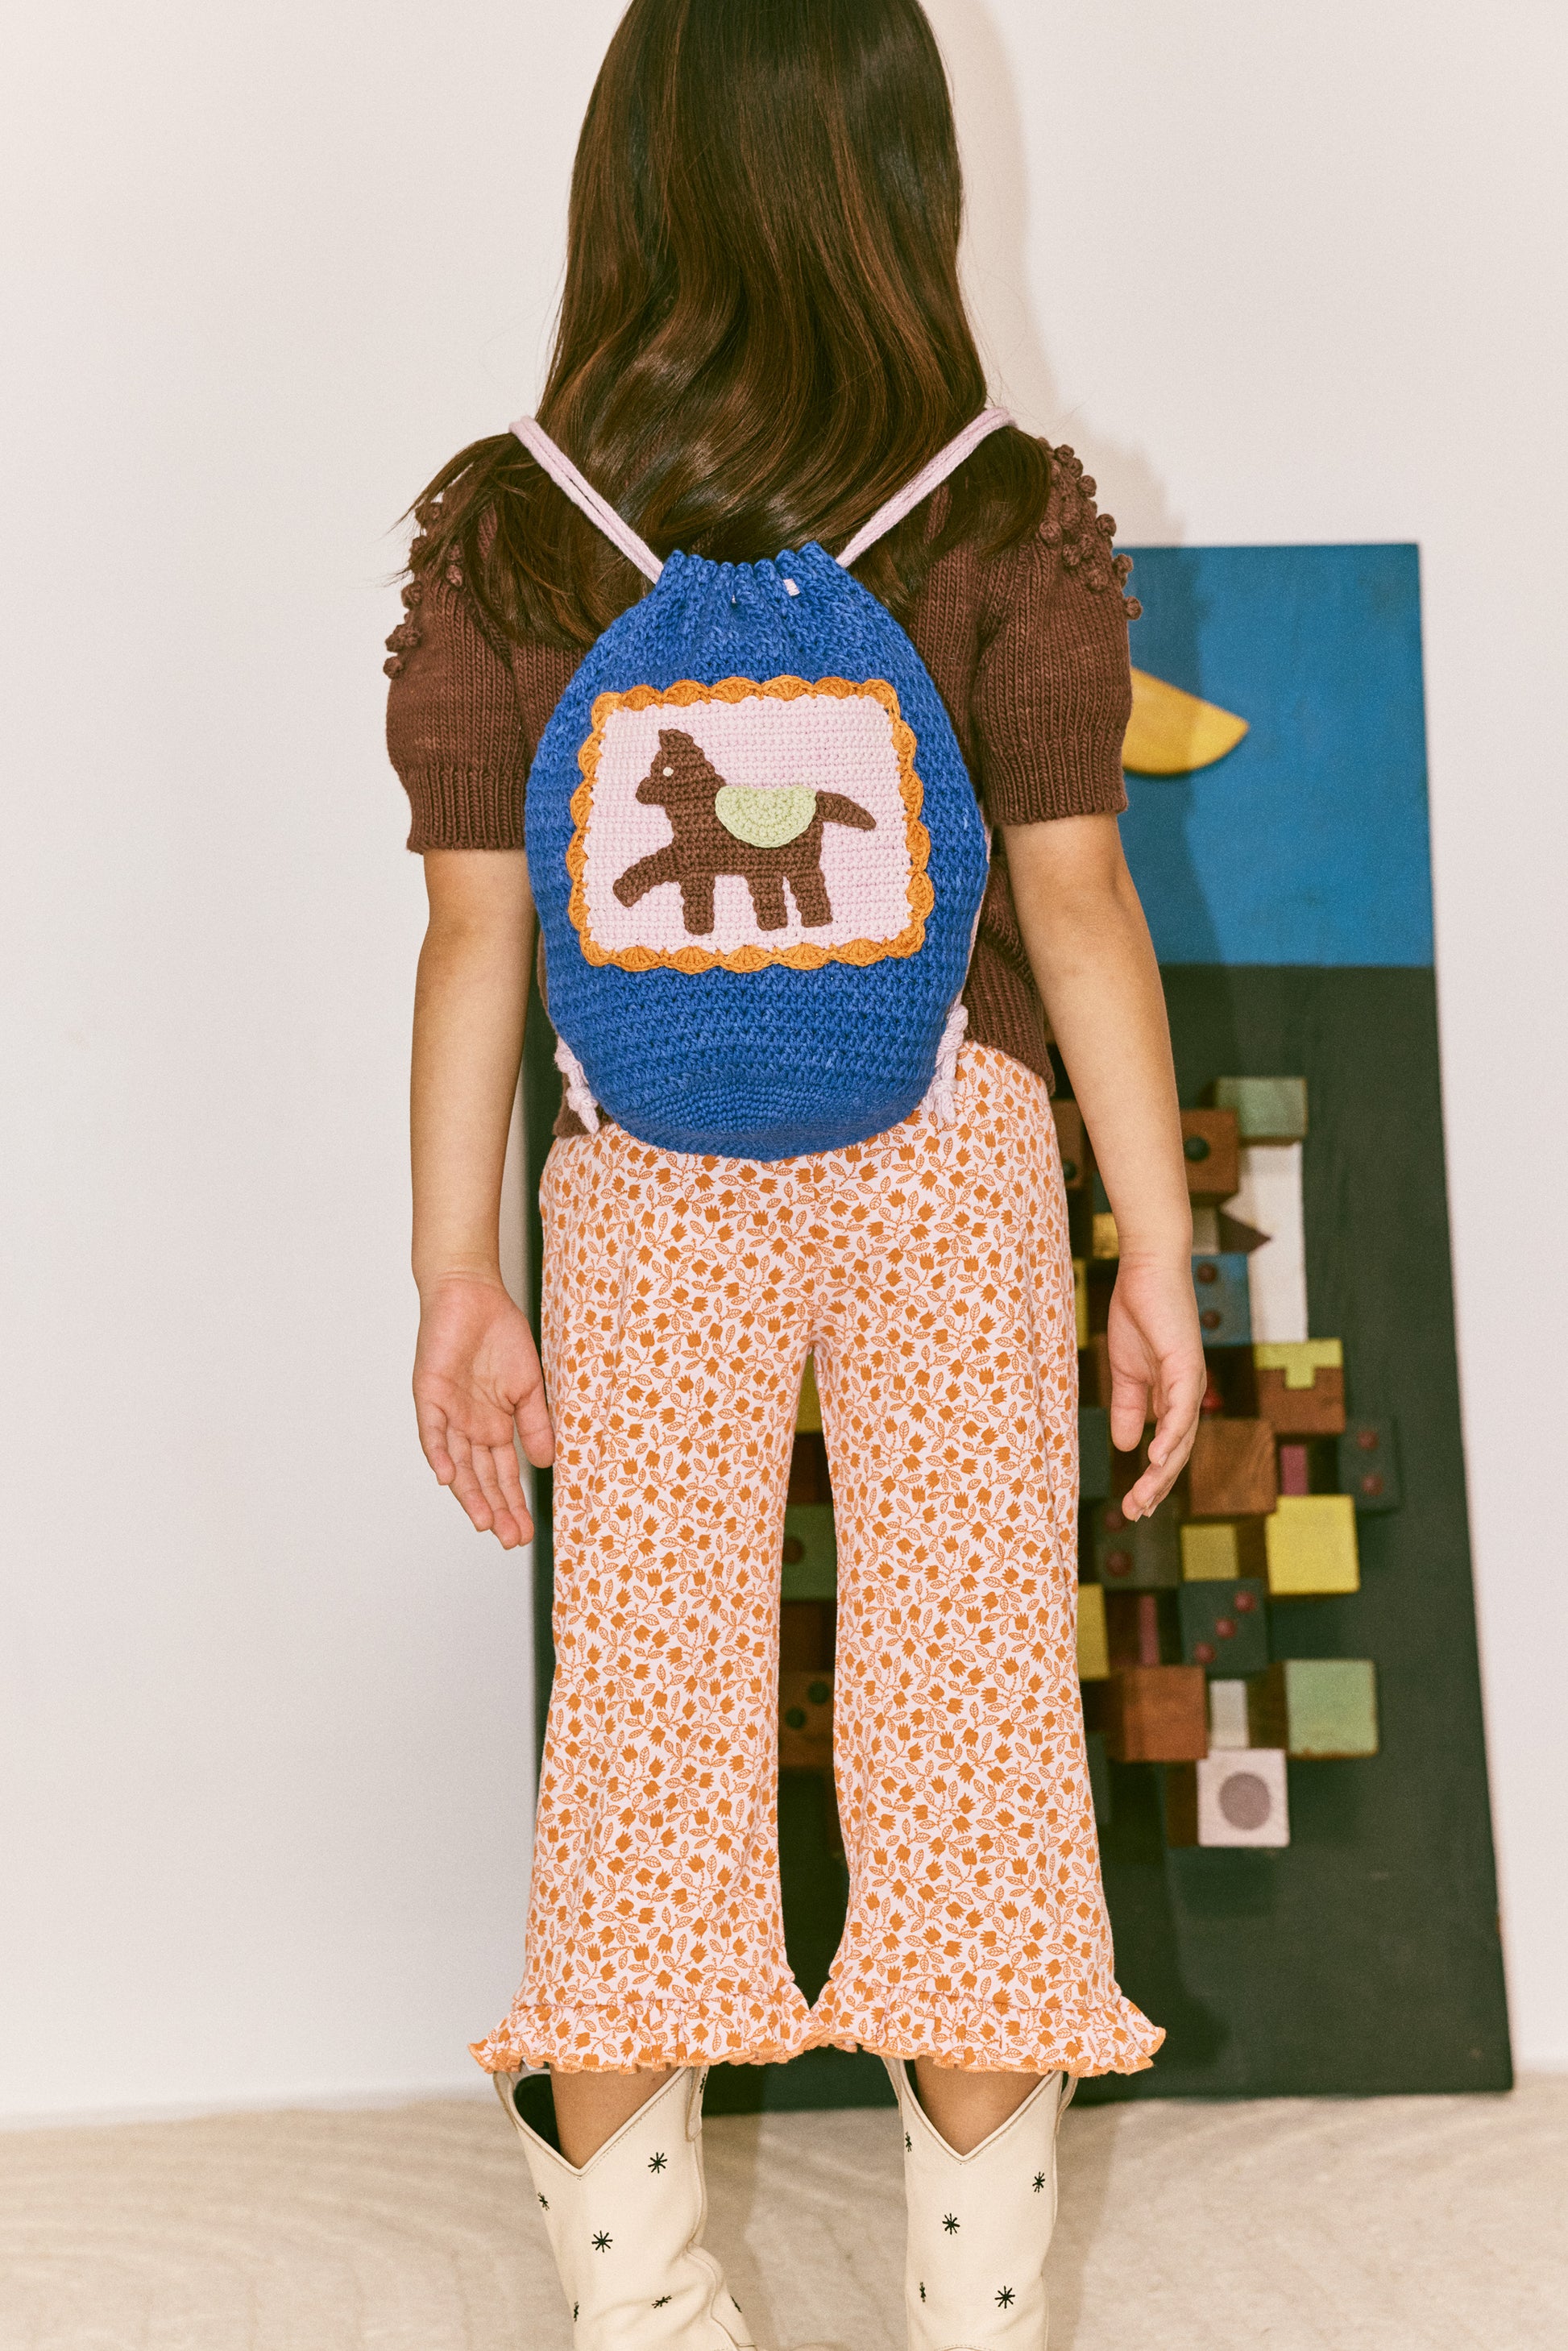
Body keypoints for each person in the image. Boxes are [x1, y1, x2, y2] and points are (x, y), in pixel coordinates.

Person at [385, 2, 1203, 2342]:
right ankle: (977, 2314)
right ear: (902, 174)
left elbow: (474, 934)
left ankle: (639, 2309)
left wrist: (457, 1275)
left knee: (642, 1724)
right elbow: (1078, 907)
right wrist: (1154, 1248)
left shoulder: (513, 519)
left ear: (626, 176)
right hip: (955, 1156)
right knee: (971, 1717)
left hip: (642, 1180)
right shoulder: (1000, 504)